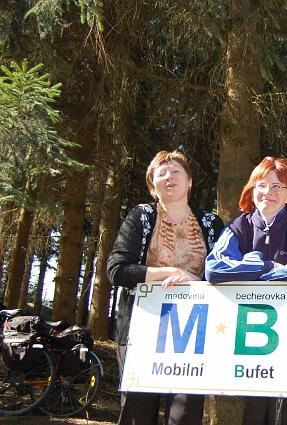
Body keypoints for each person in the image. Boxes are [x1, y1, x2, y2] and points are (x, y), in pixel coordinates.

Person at [205, 156, 287, 425]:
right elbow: (214, 269)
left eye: (277, 187)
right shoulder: (238, 226)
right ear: (252, 191)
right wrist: (268, 265)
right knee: (253, 409)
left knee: (280, 412)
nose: (268, 192)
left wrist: (254, 270)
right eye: (261, 185)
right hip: (249, 334)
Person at [106, 150, 225, 425]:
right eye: (161, 174)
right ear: (152, 187)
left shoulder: (211, 224)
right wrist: (171, 273)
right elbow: (117, 270)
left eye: (176, 172)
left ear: (189, 182)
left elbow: (223, 275)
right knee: (138, 413)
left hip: (194, 334)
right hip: (141, 329)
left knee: (185, 414)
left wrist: (195, 280)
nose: (169, 177)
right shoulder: (141, 217)